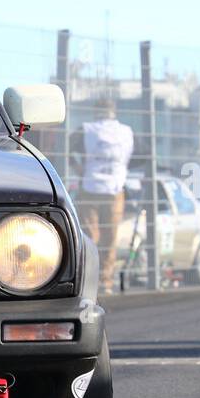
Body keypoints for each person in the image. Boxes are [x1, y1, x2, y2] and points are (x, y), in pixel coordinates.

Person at [68, 99, 134, 295]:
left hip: (90, 187)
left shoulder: (87, 130)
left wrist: (77, 167)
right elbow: (141, 154)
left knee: (90, 236)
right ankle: (106, 281)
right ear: (114, 111)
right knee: (110, 238)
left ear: (95, 111)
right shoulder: (126, 132)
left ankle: (89, 280)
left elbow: (66, 145)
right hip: (115, 190)